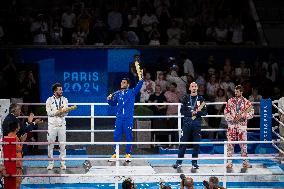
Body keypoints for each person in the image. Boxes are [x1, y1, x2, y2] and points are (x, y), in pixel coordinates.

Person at [107, 70, 144, 161]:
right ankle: (116, 154)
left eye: (124, 83)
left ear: (127, 84)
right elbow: (113, 103)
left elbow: (139, 85)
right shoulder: (117, 94)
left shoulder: (132, 92)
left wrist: (141, 78)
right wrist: (109, 100)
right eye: (121, 82)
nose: (121, 84)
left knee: (128, 136)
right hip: (119, 118)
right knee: (116, 136)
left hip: (128, 119)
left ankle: (128, 154)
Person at [173, 82, 207, 169]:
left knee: (196, 144)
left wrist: (197, 112)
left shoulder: (201, 99)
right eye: (192, 86)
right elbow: (182, 111)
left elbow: (205, 112)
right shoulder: (185, 98)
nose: (194, 88)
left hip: (197, 124)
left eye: (195, 86)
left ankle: (194, 163)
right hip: (187, 124)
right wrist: (191, 113)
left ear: (197, 88)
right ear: (189, 88)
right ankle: (179, 162)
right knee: (183, 143)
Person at [224, 85, 254, 169]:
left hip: (242, 126)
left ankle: (245, 162)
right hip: (232, 126)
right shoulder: (230, 101)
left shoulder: (246, 102)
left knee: (243, 145)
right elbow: (226, 113)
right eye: (235, 91)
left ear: (241, 92)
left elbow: (251, 113)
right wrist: (232, 118)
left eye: (238, 91)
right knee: (230, 144)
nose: (236, 93)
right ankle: (229, 163)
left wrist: (243, 116)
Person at [46, 83, 70, 170]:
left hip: (62, 125)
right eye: (59, 89)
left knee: (62, 144)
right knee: (50, 144)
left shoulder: (65, 100)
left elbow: (66, 113)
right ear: (55, 91)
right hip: (52, 125)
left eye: (61, 89)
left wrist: (64, 111)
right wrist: (58, 111)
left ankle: (63, 162)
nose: (61, 91)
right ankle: (50, 163)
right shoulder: (49, 100)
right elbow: (49, 113)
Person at [7, 122, 27, 189]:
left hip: (14, 163)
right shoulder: (13, 137)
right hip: (16, 164)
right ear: (16, 128)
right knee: (17, 183)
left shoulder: (12, 135)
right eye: (18, 125)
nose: (20, 127)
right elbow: (19, 149)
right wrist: (22, 141)